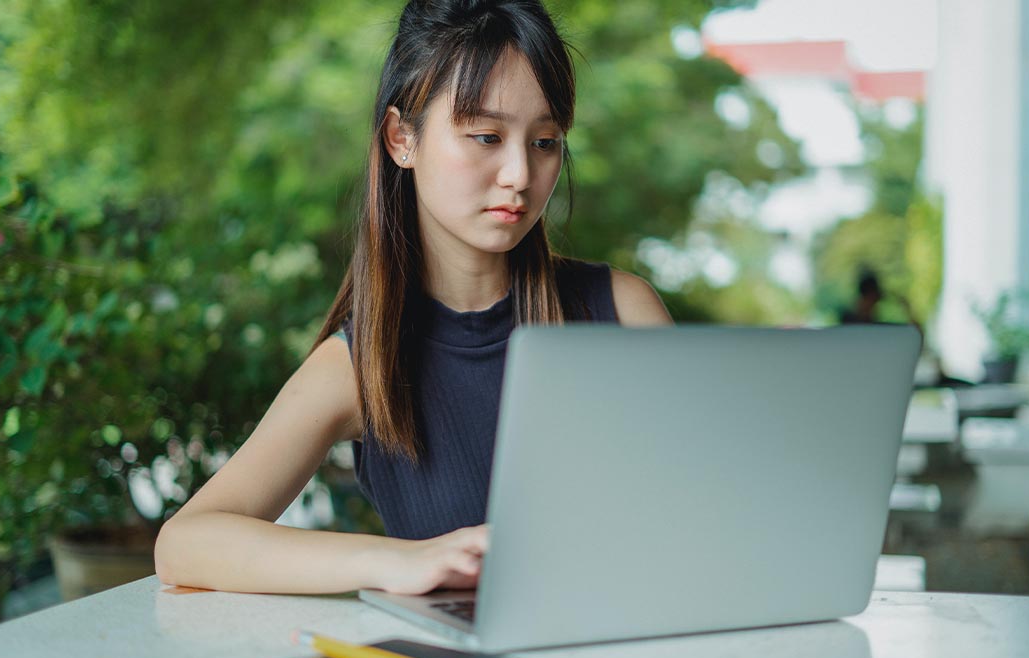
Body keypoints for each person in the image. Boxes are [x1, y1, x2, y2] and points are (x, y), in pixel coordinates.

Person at [154, 0, 672, 598]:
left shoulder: (624, 312)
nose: (519, 175)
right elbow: (185, 542)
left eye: (546, 141)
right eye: (486, 136)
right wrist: (398, 561)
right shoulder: (360, 364)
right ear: (403, 138)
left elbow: (716, 504)